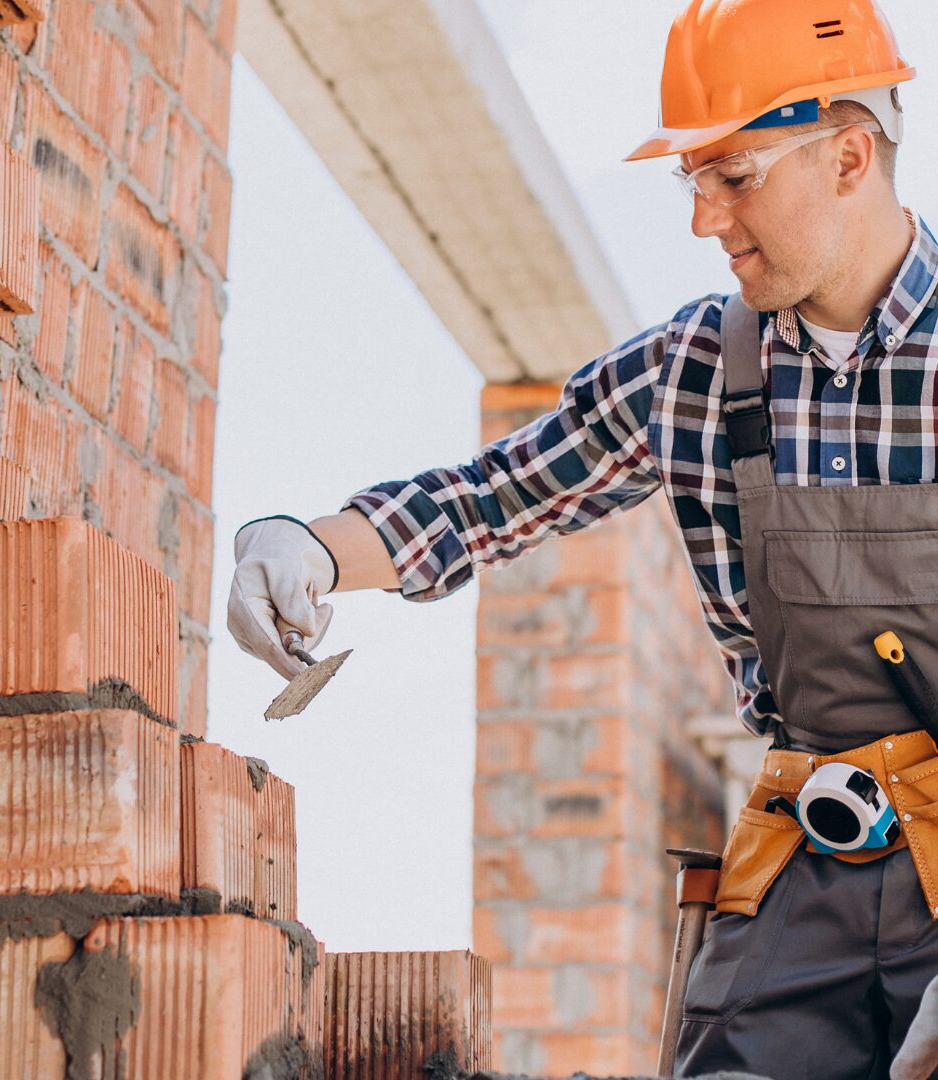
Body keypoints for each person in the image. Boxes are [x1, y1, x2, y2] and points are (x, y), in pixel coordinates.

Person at [228, 1, 938, 1075]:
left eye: (734, 176)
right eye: (689, 179)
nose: (704, 219)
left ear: (847, 157)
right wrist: (311, 546)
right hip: (806, 868)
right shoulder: (698, 372)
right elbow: (491, 495)